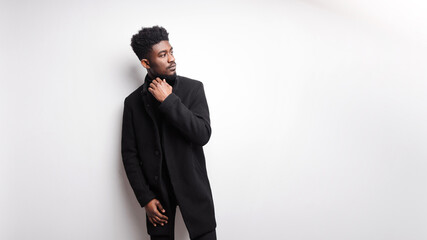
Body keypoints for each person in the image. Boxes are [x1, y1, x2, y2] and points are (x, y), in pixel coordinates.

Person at [121, 26, 217, 240]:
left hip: (194, 189)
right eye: (163, 55)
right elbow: (129, 155)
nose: (172, 59)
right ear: (146, 63)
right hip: (157, 197)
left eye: (171, 52)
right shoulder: (133, 103)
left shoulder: (194, 89)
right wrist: (145, 198)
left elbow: (202, 134)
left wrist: (169, 101)